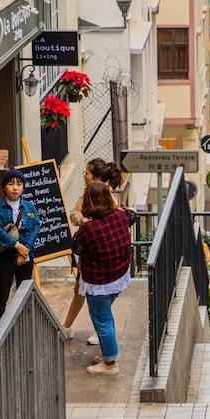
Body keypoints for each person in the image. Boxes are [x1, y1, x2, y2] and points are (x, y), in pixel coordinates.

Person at [72, 181, 133, 375]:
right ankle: (108, 352)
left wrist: (82, 222)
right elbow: (132, 214)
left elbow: (76, 247)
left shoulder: (88, 230)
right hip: (119, 277)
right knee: (107, 317)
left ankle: (110, 364)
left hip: (99, 283)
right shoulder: (122, 216)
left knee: (102, 321)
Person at [62, 158, 122, 345]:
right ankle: (67, 327)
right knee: (80, 290)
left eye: (86, 173)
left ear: (96, 177)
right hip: (89, 253)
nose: (84, 176)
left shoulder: (108, 197)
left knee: (99, 299)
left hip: (100, 256)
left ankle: (102, 333)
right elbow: (73, 214)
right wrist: (84, 222)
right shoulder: (87, 193)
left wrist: (88, 224)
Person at [0, 168, 41, 326]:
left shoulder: (29, 207)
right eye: (11, 184)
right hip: (4, 256)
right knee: (2, 296)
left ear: (23, 187)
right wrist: (16, 245)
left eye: (19, 184)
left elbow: (35, 227)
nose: (15, 188)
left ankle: (23, 326)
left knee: (23, 294)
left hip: (25, 255)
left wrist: (25, 251)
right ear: (4, 187)